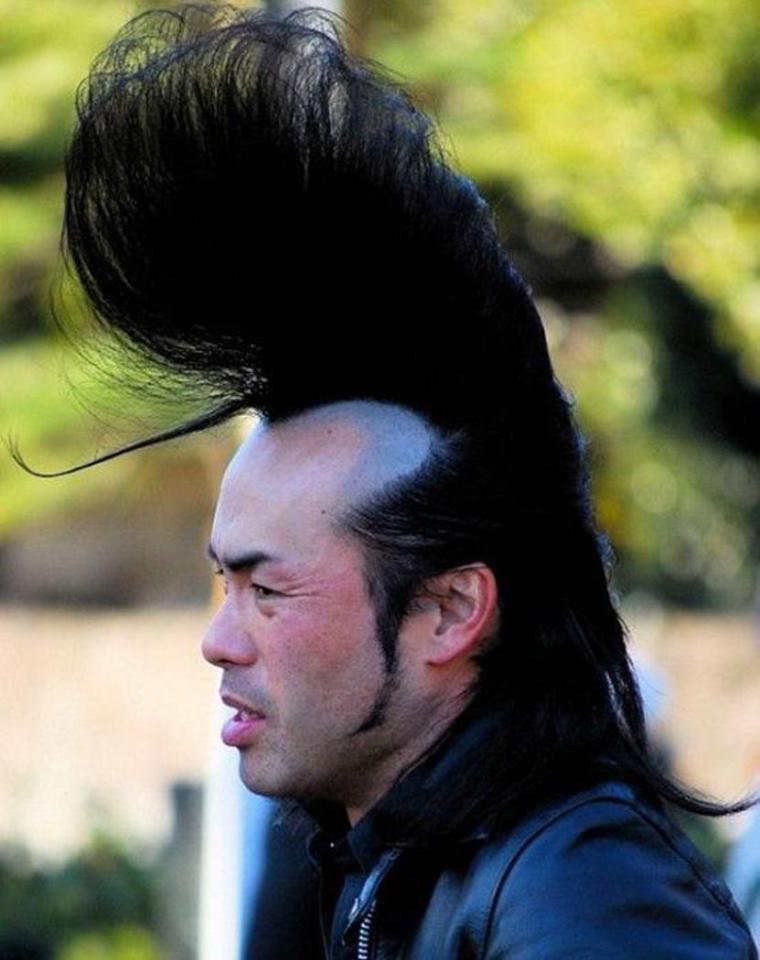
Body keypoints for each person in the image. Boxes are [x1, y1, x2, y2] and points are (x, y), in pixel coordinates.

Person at [24, 4, 758, 957]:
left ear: (451, 611)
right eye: (224, 583)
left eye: (267, 591)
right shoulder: (394, 860)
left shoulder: (583, 894)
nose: (217, 640)